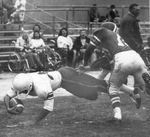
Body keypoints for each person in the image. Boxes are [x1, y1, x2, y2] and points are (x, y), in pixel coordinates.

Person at [4, 66, 141, 126]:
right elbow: (7, 96)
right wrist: (7, 108)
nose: (20, 93)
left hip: (67, 77)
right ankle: (130, 91)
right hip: (63, 81)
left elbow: (48, 108)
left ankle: (131, 91)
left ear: (29, 87)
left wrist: (34, 122)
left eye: (22, 91)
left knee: (98, 86)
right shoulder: (22, 81)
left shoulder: (42, 88)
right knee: (92, 95)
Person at [85, 24, 150, 124]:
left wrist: (85, 64)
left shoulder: (103, 32)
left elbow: (90, 49)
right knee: (146, 88)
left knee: (112, 88)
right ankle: (134, 91)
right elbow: (106, 62)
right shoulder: (117, 38)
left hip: (122, 59)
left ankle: (117, 116)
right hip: (136, 57)